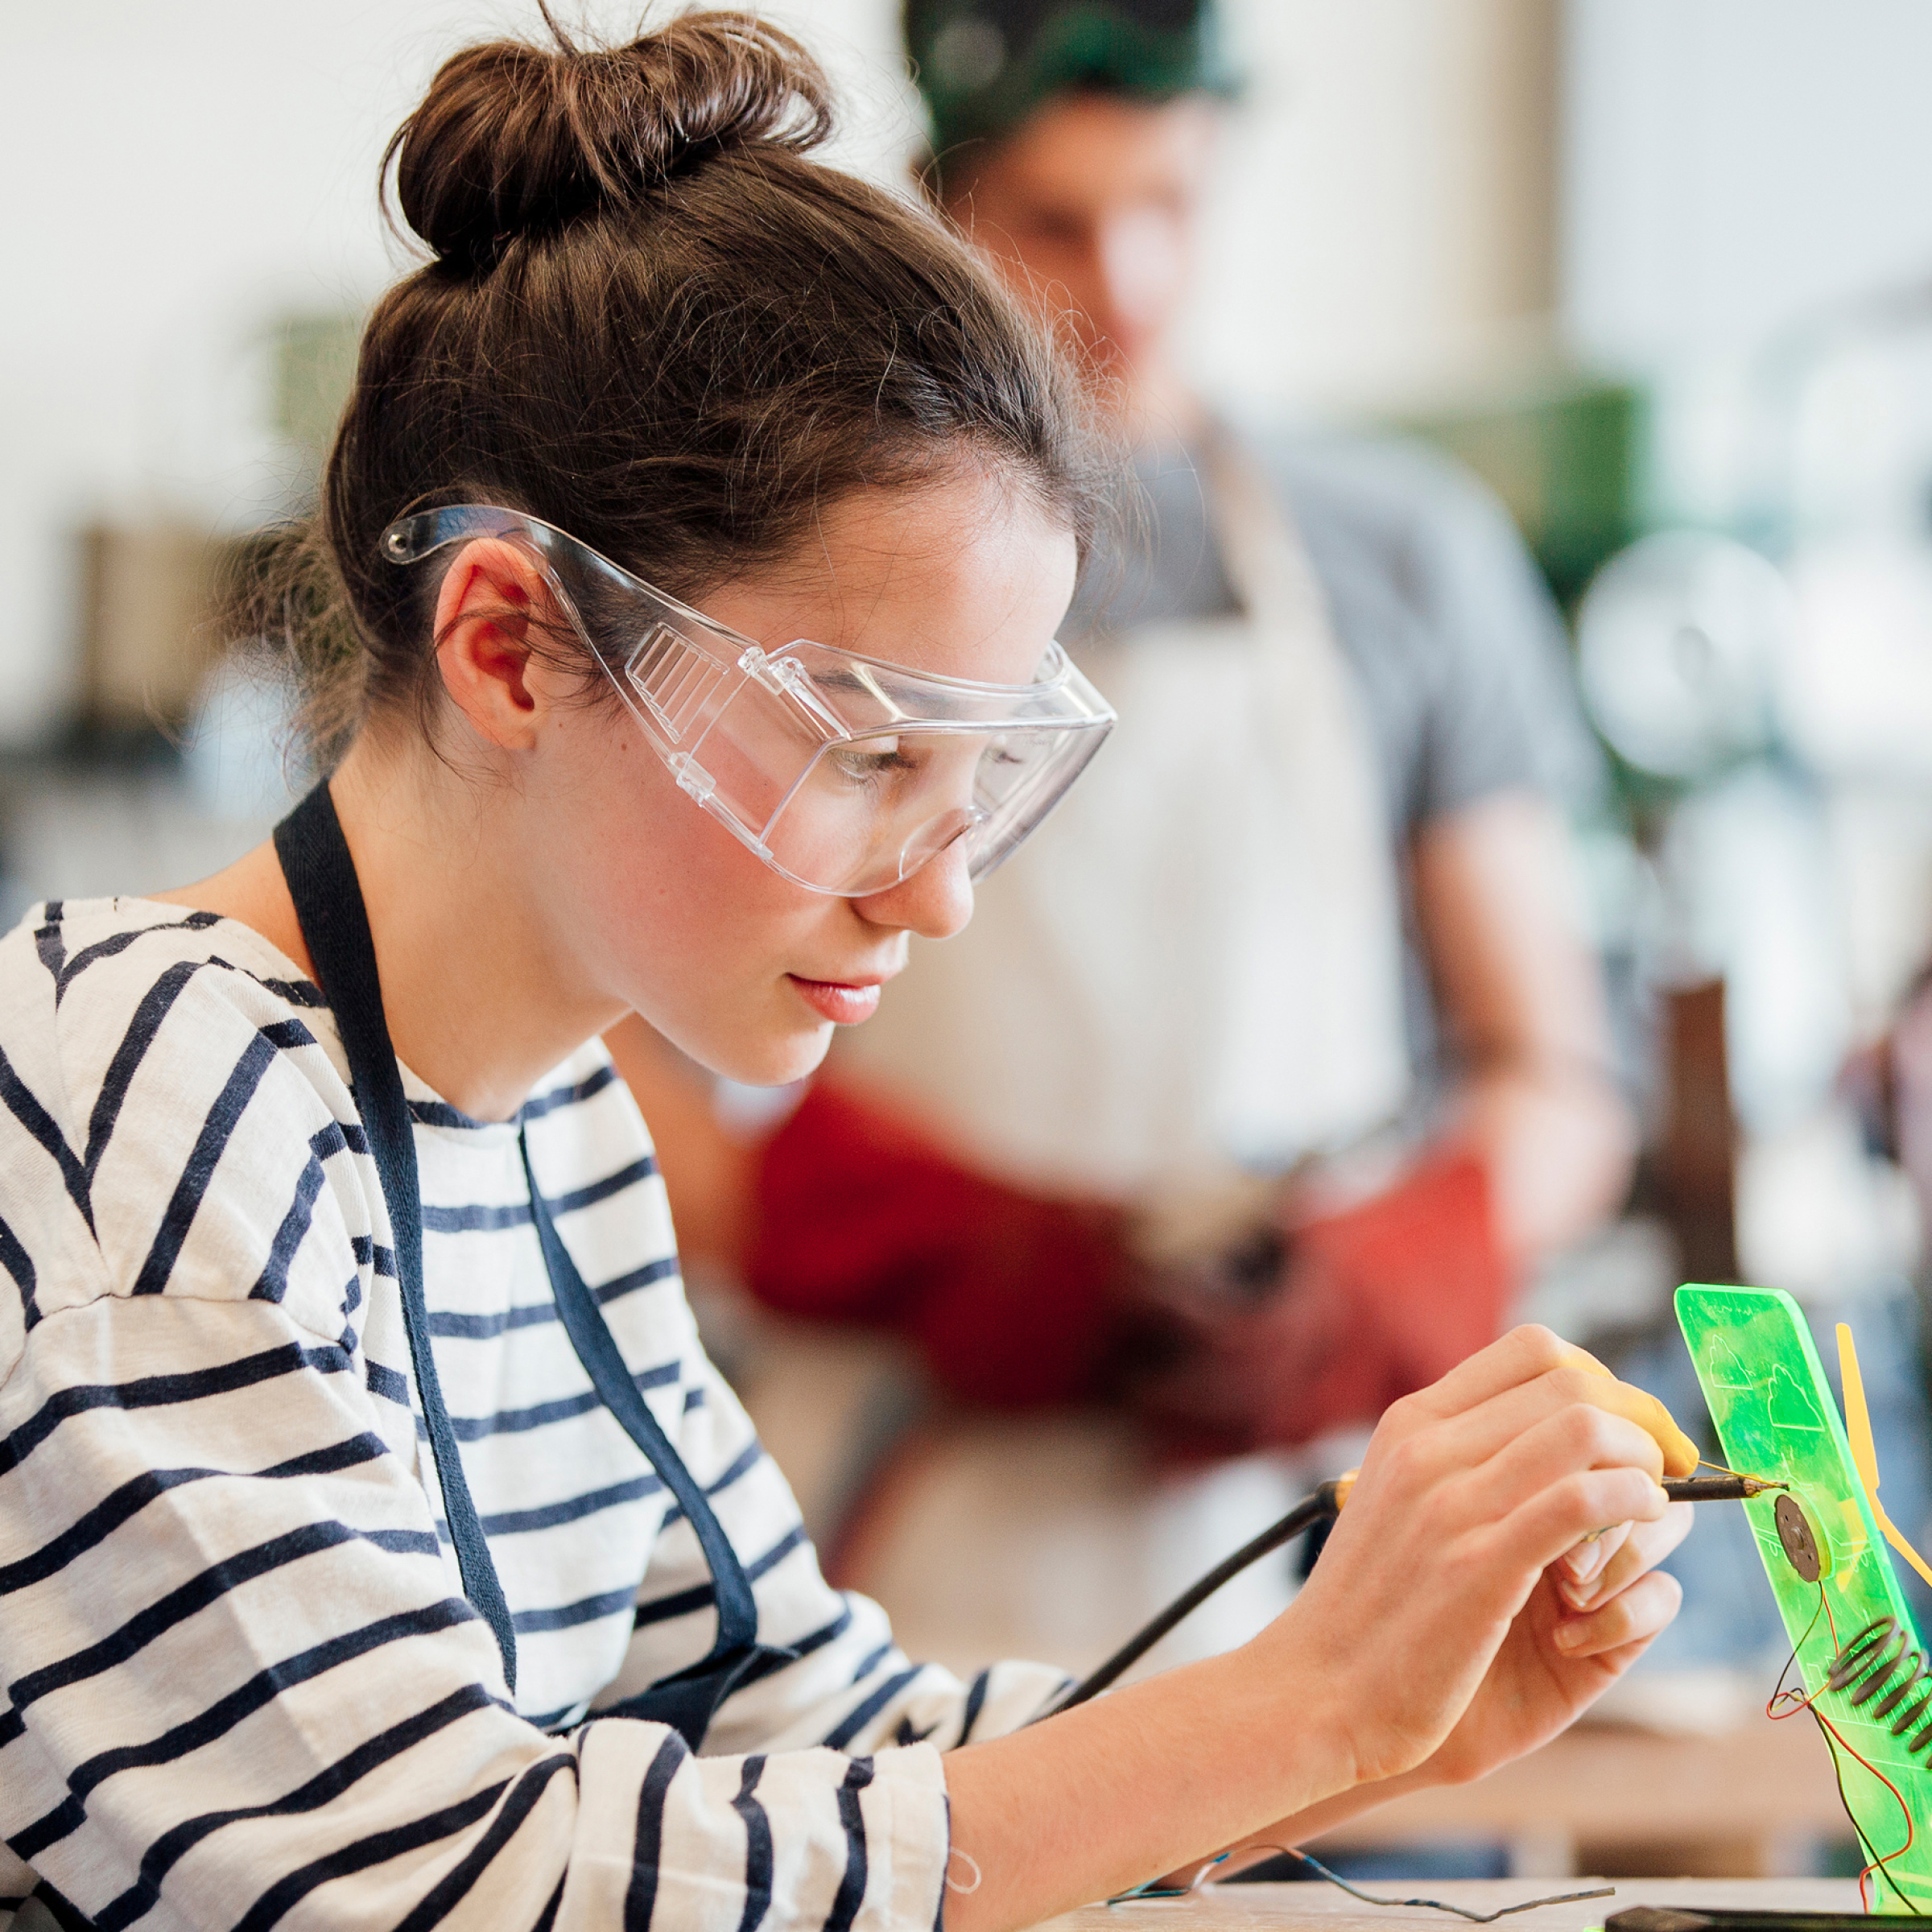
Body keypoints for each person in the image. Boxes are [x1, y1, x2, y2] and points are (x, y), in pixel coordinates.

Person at [0, 13, 1695, 1927]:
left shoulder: (548, 1130)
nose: (944, 894)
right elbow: (454, 1887)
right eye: (870, 753)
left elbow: (799, 1737)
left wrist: (1388, 1717)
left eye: (987, 782)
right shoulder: (130, 1104)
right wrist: (1299, 1707)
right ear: (508, 647)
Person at [611, 0, 1637, 1451]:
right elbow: (611, 1040)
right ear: (942, 213)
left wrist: (1380, 1278)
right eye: (1058, 222)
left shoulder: (1404, 557)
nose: (1131, 281)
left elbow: (1561, 1077)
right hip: (894, 1468)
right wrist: (881, 1244)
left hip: (1290, 1484)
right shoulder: (803, 557)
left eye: (1172, 204)